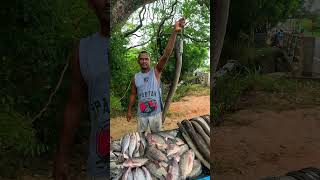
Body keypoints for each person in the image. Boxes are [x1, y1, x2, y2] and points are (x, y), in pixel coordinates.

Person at [54, 0, 110, 179]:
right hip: (100, 166)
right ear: (90, 3)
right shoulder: (84, 50)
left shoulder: (139, 48)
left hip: (135, 161)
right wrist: (62, 157)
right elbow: (74, 105)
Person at [126, 18, 185, 133]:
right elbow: (133, 94)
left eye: (146, 59)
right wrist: (129, 110)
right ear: (138, 61)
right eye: (141, 59)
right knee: (142, 140)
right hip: (141, 115)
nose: (144, 61)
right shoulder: (135, 77)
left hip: (156, 114)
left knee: (157, 139)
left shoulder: (156, 71)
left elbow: (167, 54)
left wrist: (174, 31)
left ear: (150, 60)